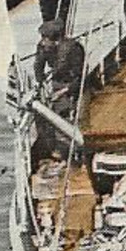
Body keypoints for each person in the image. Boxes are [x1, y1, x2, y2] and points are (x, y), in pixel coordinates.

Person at [33, 19, 86, 155]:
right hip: (56, 83)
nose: (43, 42)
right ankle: (55, 146)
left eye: (46, 39)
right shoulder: (43, 46)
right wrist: (41, 83)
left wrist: (63, 92)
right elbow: (38, 66)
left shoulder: (74, 49)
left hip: (71, 85)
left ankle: (72, 149)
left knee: (70, 115)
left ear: (56, 40)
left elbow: (80, 79)